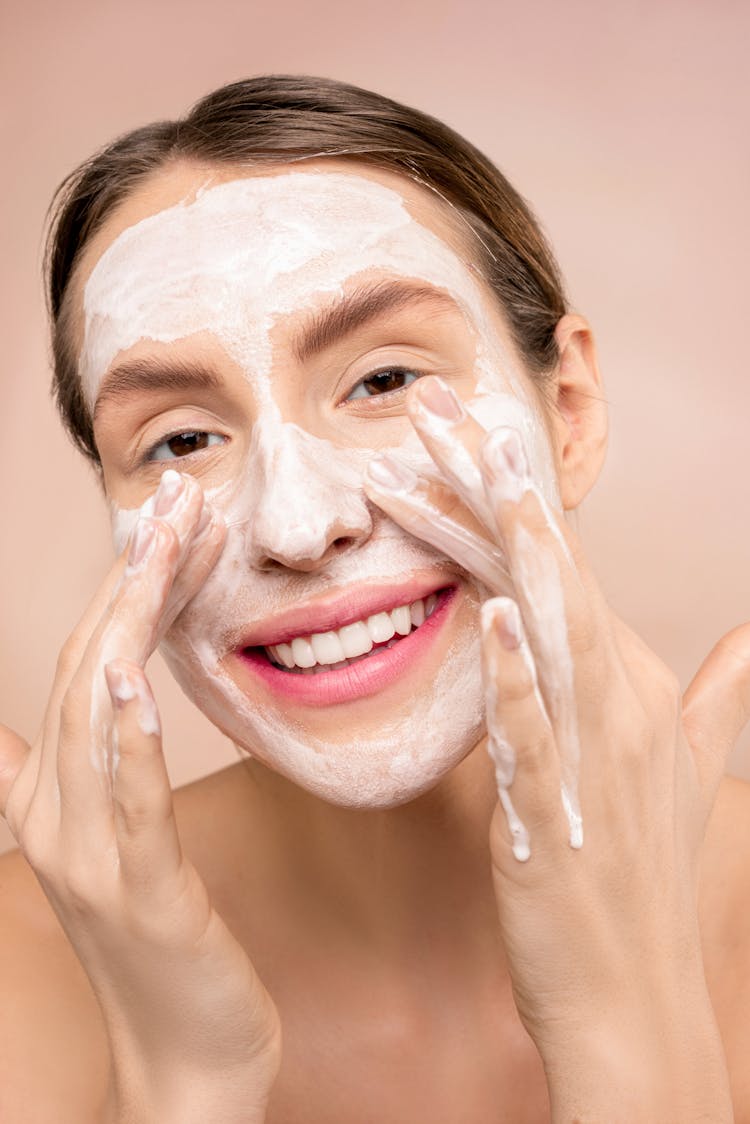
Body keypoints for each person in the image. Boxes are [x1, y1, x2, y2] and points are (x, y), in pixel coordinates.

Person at [1, 74, 749, 1124]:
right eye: (180, 439)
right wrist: (183, 1079)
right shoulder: (20, 976)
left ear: (568, 411)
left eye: (384, 378)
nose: (298, 525)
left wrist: (622, 1015)